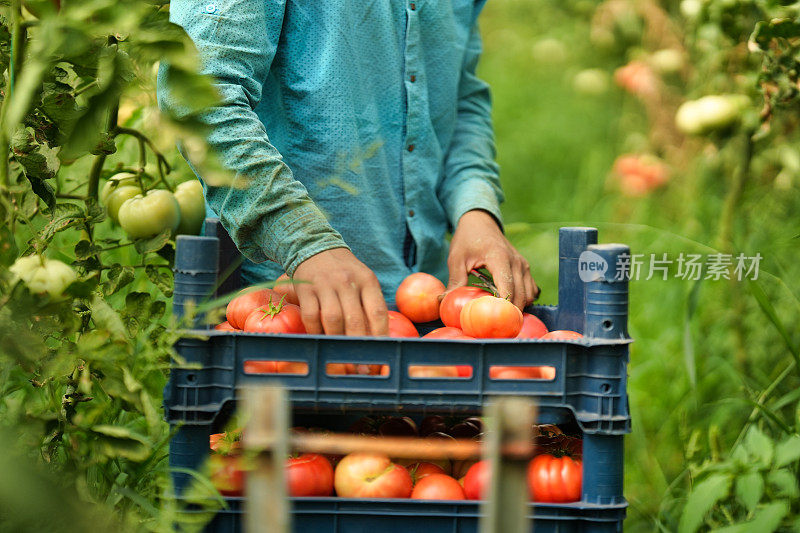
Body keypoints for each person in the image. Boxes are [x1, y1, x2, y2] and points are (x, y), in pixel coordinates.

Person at [158, 0, 538, 337]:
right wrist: (305, 244)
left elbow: (459, 101)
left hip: (429, 318)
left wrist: (475, 209)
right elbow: (198, 99)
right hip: (281, 313)